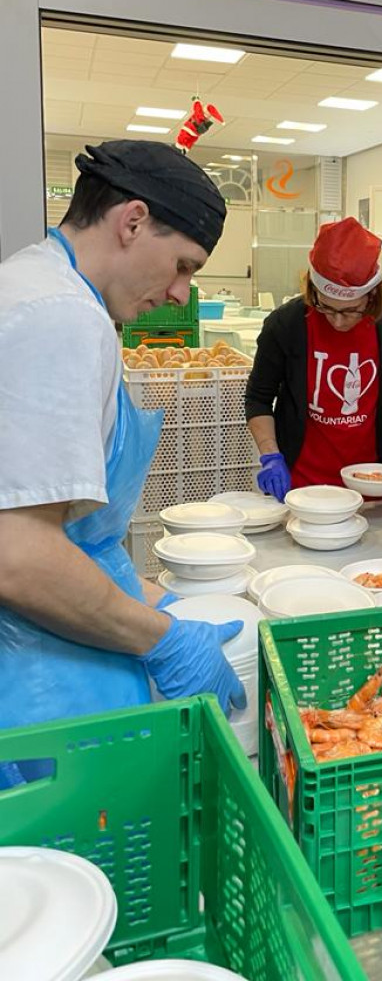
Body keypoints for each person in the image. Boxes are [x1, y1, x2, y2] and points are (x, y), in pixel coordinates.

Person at [0, 140, 246, 762]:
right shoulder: (60, 318)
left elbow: (70, 533)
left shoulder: (38, 285)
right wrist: (163, 638)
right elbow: (20, 556)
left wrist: (145, 594)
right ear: (132, 221)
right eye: (184, 266)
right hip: (36, 675)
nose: (181, 295)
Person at [246, 218, 382, 497]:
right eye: (326, 308)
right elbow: (258, 397)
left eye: (351, 310)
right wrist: (270, 455)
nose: (338, 322)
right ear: (312, 291)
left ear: (372, 295)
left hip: (369, 477)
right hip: (301, 480)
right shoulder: (285, 325)